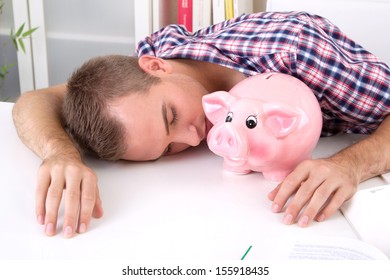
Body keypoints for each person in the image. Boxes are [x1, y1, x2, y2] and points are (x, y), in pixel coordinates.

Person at [12, 11, 390, 238]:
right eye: (169, 149)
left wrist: (348, 165)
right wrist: (60, 154)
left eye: (171, 117)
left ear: (156, 66)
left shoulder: (297, 52)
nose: (194, 138)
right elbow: (34, 100)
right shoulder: (139, 76)